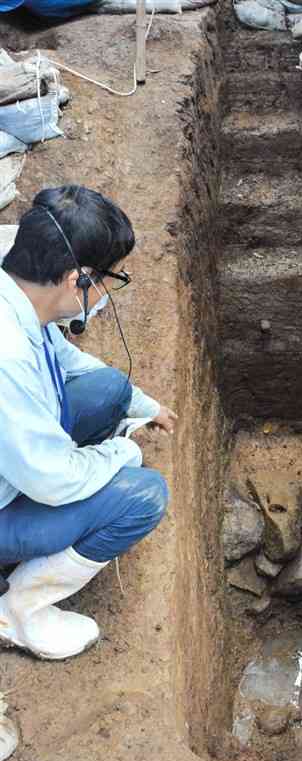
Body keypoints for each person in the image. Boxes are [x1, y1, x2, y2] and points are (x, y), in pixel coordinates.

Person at [0, 185, 176, 661]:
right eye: (109, 281)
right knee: (143, 496)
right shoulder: (7, 359)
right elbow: (51, 479)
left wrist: (143, 405)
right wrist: (121, 452)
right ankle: (16, 611)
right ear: (76, 279)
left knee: (111, 391)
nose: (106, 294)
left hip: (15, 454)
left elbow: (64, 358)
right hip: (13, 496)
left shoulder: (15, 288)